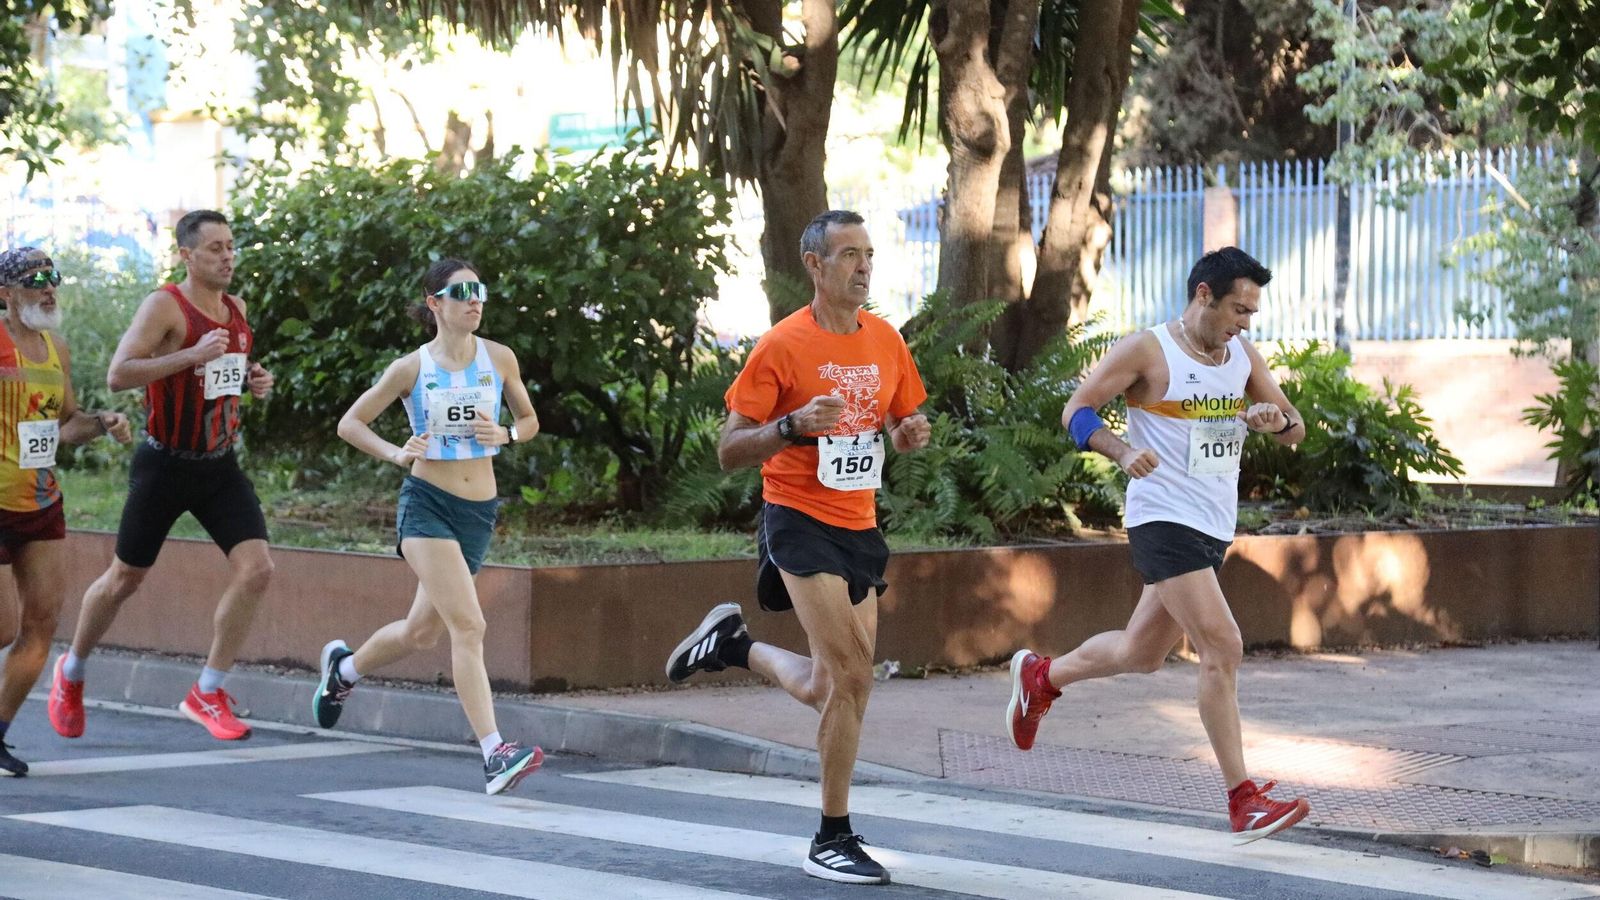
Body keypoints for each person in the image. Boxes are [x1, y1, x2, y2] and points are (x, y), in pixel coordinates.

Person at [1005, 246, 1312, 843]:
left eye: (1252, 312)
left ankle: (1042, 678)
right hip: (1162, 518)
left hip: (1212, 524)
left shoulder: (1240, 355)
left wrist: (1277, 422)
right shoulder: (1150, 350)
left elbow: (1293, 424)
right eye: (1237, 309)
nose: (1245, 322)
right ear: (1203, 295)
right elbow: (1077, 409)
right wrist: (1120, 451)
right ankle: (1241, 798)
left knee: (1140, 653)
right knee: (1222, 645)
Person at [665, 210, 931, 884]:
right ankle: (831, 836)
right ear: (814, 264)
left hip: (859, 524)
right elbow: (729, 449)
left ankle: (732, 646)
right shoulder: (782, 346)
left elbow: (899, 420)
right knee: (853, 674)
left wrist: (908, 435)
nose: (863, 267)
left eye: (869, 254)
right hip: (798, 520)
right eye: (848, 254)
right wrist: (788, 425)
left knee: (829, 685)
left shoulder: (886, 341)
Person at [311, 257, 543, 796]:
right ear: (435, 304)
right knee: (470, 626)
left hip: (478, 513)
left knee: (422, 632)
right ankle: (495, 754)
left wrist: (505, 435)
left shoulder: (499, 358)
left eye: (480, 290)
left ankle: (344, 672)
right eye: (463, 292)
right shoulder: (410, 368)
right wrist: (397, 453)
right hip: (428, 506)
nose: (475, 300)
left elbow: (529, 421)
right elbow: (350, 423)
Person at [49, 211, 275, 744]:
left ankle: (208, 690)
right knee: (124, 579)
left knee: (258, 569)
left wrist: (252, 377)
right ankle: (72, 671)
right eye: (215, 248)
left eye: (231, 246)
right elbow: (119, 373)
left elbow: (221, 376)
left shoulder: (237, 310)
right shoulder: (164, 305)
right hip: (165, 464)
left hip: (219, 466)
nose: (227, 257)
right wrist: (189, 353)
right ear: (187, 256)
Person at [0, 247, 133, 776]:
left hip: (40, 501)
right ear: (5, 293)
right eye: (35, 280)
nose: (48, 287)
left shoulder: (57, 349)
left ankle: (0, 730)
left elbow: (65, 423)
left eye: (53, 277)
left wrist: (101, 422)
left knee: (40, 624)